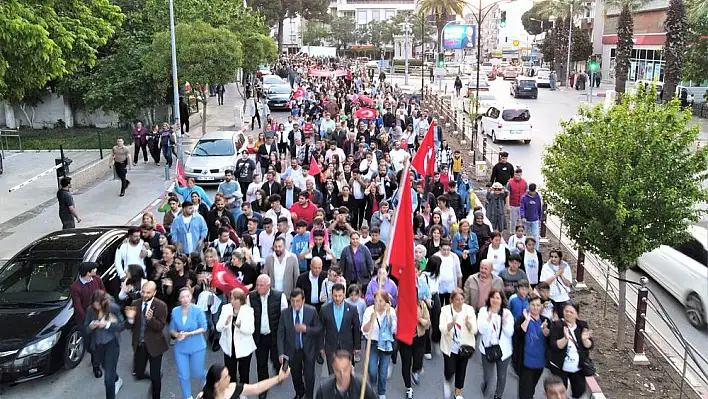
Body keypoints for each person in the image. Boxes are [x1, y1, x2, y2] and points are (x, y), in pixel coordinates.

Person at [124, 281, 168, 399]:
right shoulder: (135, 303)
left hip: (155, 346)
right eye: (143, 291)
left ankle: (156, 396)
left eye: (148, 292)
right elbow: (128, 326)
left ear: (154, 293)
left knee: (155, 377)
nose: (144, 295)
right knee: (138, 374)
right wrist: (130, 318)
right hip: (140, 345)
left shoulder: (161, 306)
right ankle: (152, 377)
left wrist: (151, 319)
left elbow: (160, 327)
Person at [247, 274, 288, 399]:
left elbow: (284, 316)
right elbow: (249, 316)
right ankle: (263, 388)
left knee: (276, 359)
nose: (258, 288)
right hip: (259, 337)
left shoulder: (280, 296)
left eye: (261, 285)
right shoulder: (251, 297)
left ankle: (278, 372)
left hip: (275, 336)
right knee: (261, 363)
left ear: (268, 286)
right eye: (257, 285)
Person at [277, 288, 323, 399]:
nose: (295, 304)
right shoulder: (285, 313)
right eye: (292, 301)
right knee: (295, 375)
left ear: (303, 300)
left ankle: (309, 396)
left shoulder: (311, 311)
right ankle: (299, 392)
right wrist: (281, 352)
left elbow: (319, 328)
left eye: (298, 301)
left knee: (309, 376)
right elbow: (280, 334)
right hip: (292, 350)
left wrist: (306, 329)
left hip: (308, 349)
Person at [547, 302, 594, 398]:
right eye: (566, 311)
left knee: (579, 391)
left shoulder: (582, 326)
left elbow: (589, 346)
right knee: (559, 393)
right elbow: (554, 346)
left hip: (578, 368)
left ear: (576, 314)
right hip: (560, 367)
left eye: (571, 312)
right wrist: (565, 338)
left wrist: (585, 340)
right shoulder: (557, 325)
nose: (568, 314)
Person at [85, 290, 126, 399]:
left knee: (108, 378)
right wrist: (91, 326)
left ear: (104, 302)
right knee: (106, 368)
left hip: (111, 344)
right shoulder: (90, 310)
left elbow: (122, 326)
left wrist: (107, 325)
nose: (97, 308)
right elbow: (86, 328)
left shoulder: (113, 308)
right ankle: (117, 379)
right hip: (98, 346)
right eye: (95, 305)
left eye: (99, 305)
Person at [439, 288, 477, 399]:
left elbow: (475, 329)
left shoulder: (469, 310)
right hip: (449, 346)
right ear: (452, 300)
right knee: (450, 370)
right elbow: (442, 328)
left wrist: (469, 325)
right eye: (457, 299)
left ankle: (458, 392)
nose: (460, 302)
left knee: (461, 371)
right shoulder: (445, 310)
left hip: (464, 347)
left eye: (462, 299)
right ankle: (447, 381)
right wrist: (450, 324)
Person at [170, 287, 208, 399]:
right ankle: (188, 397)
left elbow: (204, 327)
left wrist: (189, 334)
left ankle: (207, 377)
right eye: (182, 297)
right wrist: (177, 335)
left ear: (191, 297)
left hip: (197, 346)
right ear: (179, 299)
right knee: (183, 375)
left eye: (187, 296)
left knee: (197, 372)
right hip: (181, 348)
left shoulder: (197, 310)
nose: (185, 299)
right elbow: (172, 329)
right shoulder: (175, 311)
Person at [70, 262, 105, 377]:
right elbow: (78, 306)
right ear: (88, 272)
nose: (95, 271)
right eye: (93, 269)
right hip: (85, 320)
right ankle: (94, 353)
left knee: (96, 343)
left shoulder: (97, 280)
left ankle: (96, 366)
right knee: (89, 344)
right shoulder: (76, 287)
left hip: (98, 316)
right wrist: (88, 320)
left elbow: (103, 294)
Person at [477, 289, 514, 399]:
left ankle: (498, 395)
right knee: (488, 375)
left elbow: (509, 333)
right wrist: (488, 319)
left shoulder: (507, 313)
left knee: (501, 376)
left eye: (498, 298)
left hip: (503, 351)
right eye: (493, 297)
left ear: (502, 300)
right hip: (487, 349)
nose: (495, 300)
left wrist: (505, 323)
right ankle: (486, 385)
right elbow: (481, 330)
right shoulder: (483, 311)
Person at [216, 288, 256, 386]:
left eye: (235, 299)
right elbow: (218, 328)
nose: (232, 301)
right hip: (229, 347)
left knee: (244, 372)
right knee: (230, 372)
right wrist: (225, 323)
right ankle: (232, 391)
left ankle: (243, 392)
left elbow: (251, 330)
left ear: (241, 300)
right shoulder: (225, 308)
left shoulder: (248, 310)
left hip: (244, 347)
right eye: (231, 298)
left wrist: (240, 326)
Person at [513, 295, 551, 399]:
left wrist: (545, 330)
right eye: (533, 305)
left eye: (538, 305)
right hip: (526, 363)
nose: (535, 307)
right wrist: (527, 320)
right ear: (529, 305)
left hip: (540, 362)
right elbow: (518, 334)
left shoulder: (545, 321)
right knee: (525, 393)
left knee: (532, 388)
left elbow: (549, 337)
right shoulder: (522, 319)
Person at [361, 290, 397, 399]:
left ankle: (381, 392)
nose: (377, 303)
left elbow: (393, 329)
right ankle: (372, 386)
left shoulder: (391, 311)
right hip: (372, 343)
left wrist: (388, 315)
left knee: (383, 371)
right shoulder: (369, 311)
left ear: (386, 302)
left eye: (380, 301)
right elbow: (364, 330)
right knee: (372, 370)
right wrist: (370, 321)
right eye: (375, 300)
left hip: (385, 343)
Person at [319, 283, 361, 374]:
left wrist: (357, 346)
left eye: (340, 296)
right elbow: (321, 329)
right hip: (330, 346)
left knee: (346, 373)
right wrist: (321, 346)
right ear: (331, 294)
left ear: (344, 295)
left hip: (347, 346)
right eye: (335, 295)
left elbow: (356, 329)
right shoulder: (324, 309)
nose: (337, 298)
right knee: (332, 373)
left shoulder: (352, 309)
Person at [398, 288, 430, 399]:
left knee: (418, 361)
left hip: (419, 338)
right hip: (405, 340)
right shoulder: (401, 305)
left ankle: (416, 371)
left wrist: (420, 320)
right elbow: (396, 319)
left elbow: (427, 323)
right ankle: (408, 388)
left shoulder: (422, 305)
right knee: (406, 365)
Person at [197, 362, 290, 399]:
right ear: (216, 384)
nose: (229, 378)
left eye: (228, 374)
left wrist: (278, 378)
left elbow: (256, 388)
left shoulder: (233, 388)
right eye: (225, 377)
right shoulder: (202, 397)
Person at [540, 249, 573, 317]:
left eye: (556, 257)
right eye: (551, 257)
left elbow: (568, 284)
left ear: (560, 258)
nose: (553, 259)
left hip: (563, 297)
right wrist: (556, 275)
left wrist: (561, 275)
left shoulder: (565, 266)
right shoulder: (546, 267)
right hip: (551, 296)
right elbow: (544, 284)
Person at [520, 183, 543, 250]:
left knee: (535, 236)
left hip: (535, 220)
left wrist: (539, 218)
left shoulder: (537, 197)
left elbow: (539, 207)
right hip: (526, 220)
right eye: (531, 192)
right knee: (526, 236)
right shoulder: (524, 198)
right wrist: (522, 216)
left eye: (533, 192)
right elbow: (522, 208)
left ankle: (536, 250)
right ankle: (525, 249)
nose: (532, 193)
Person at [506, 168, 527, 232]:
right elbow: (507, 194)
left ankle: (522, 232)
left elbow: (526, 194)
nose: (517, 176)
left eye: (519, 175)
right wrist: (508, 206)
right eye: (516, 175)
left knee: (522, 220)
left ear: (521, 175)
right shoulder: (509, 183)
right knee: (513, 220)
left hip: (522, 205)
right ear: (514, 174)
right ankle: (512, 232)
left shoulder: (525, 183)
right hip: (513, 204)